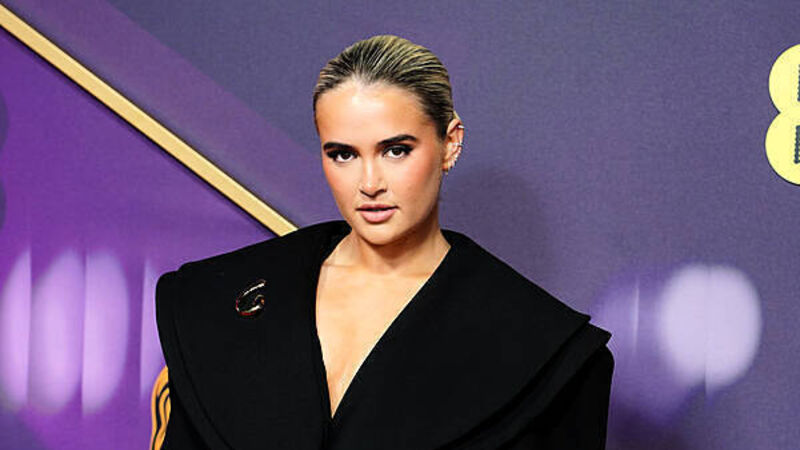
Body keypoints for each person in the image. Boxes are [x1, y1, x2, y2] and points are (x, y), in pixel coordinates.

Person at [154, 35, 613, 449]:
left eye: (396, 150)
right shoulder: (210, 302)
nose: (369, 183)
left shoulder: (546, 350)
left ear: (450, 143)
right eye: (343, 154)